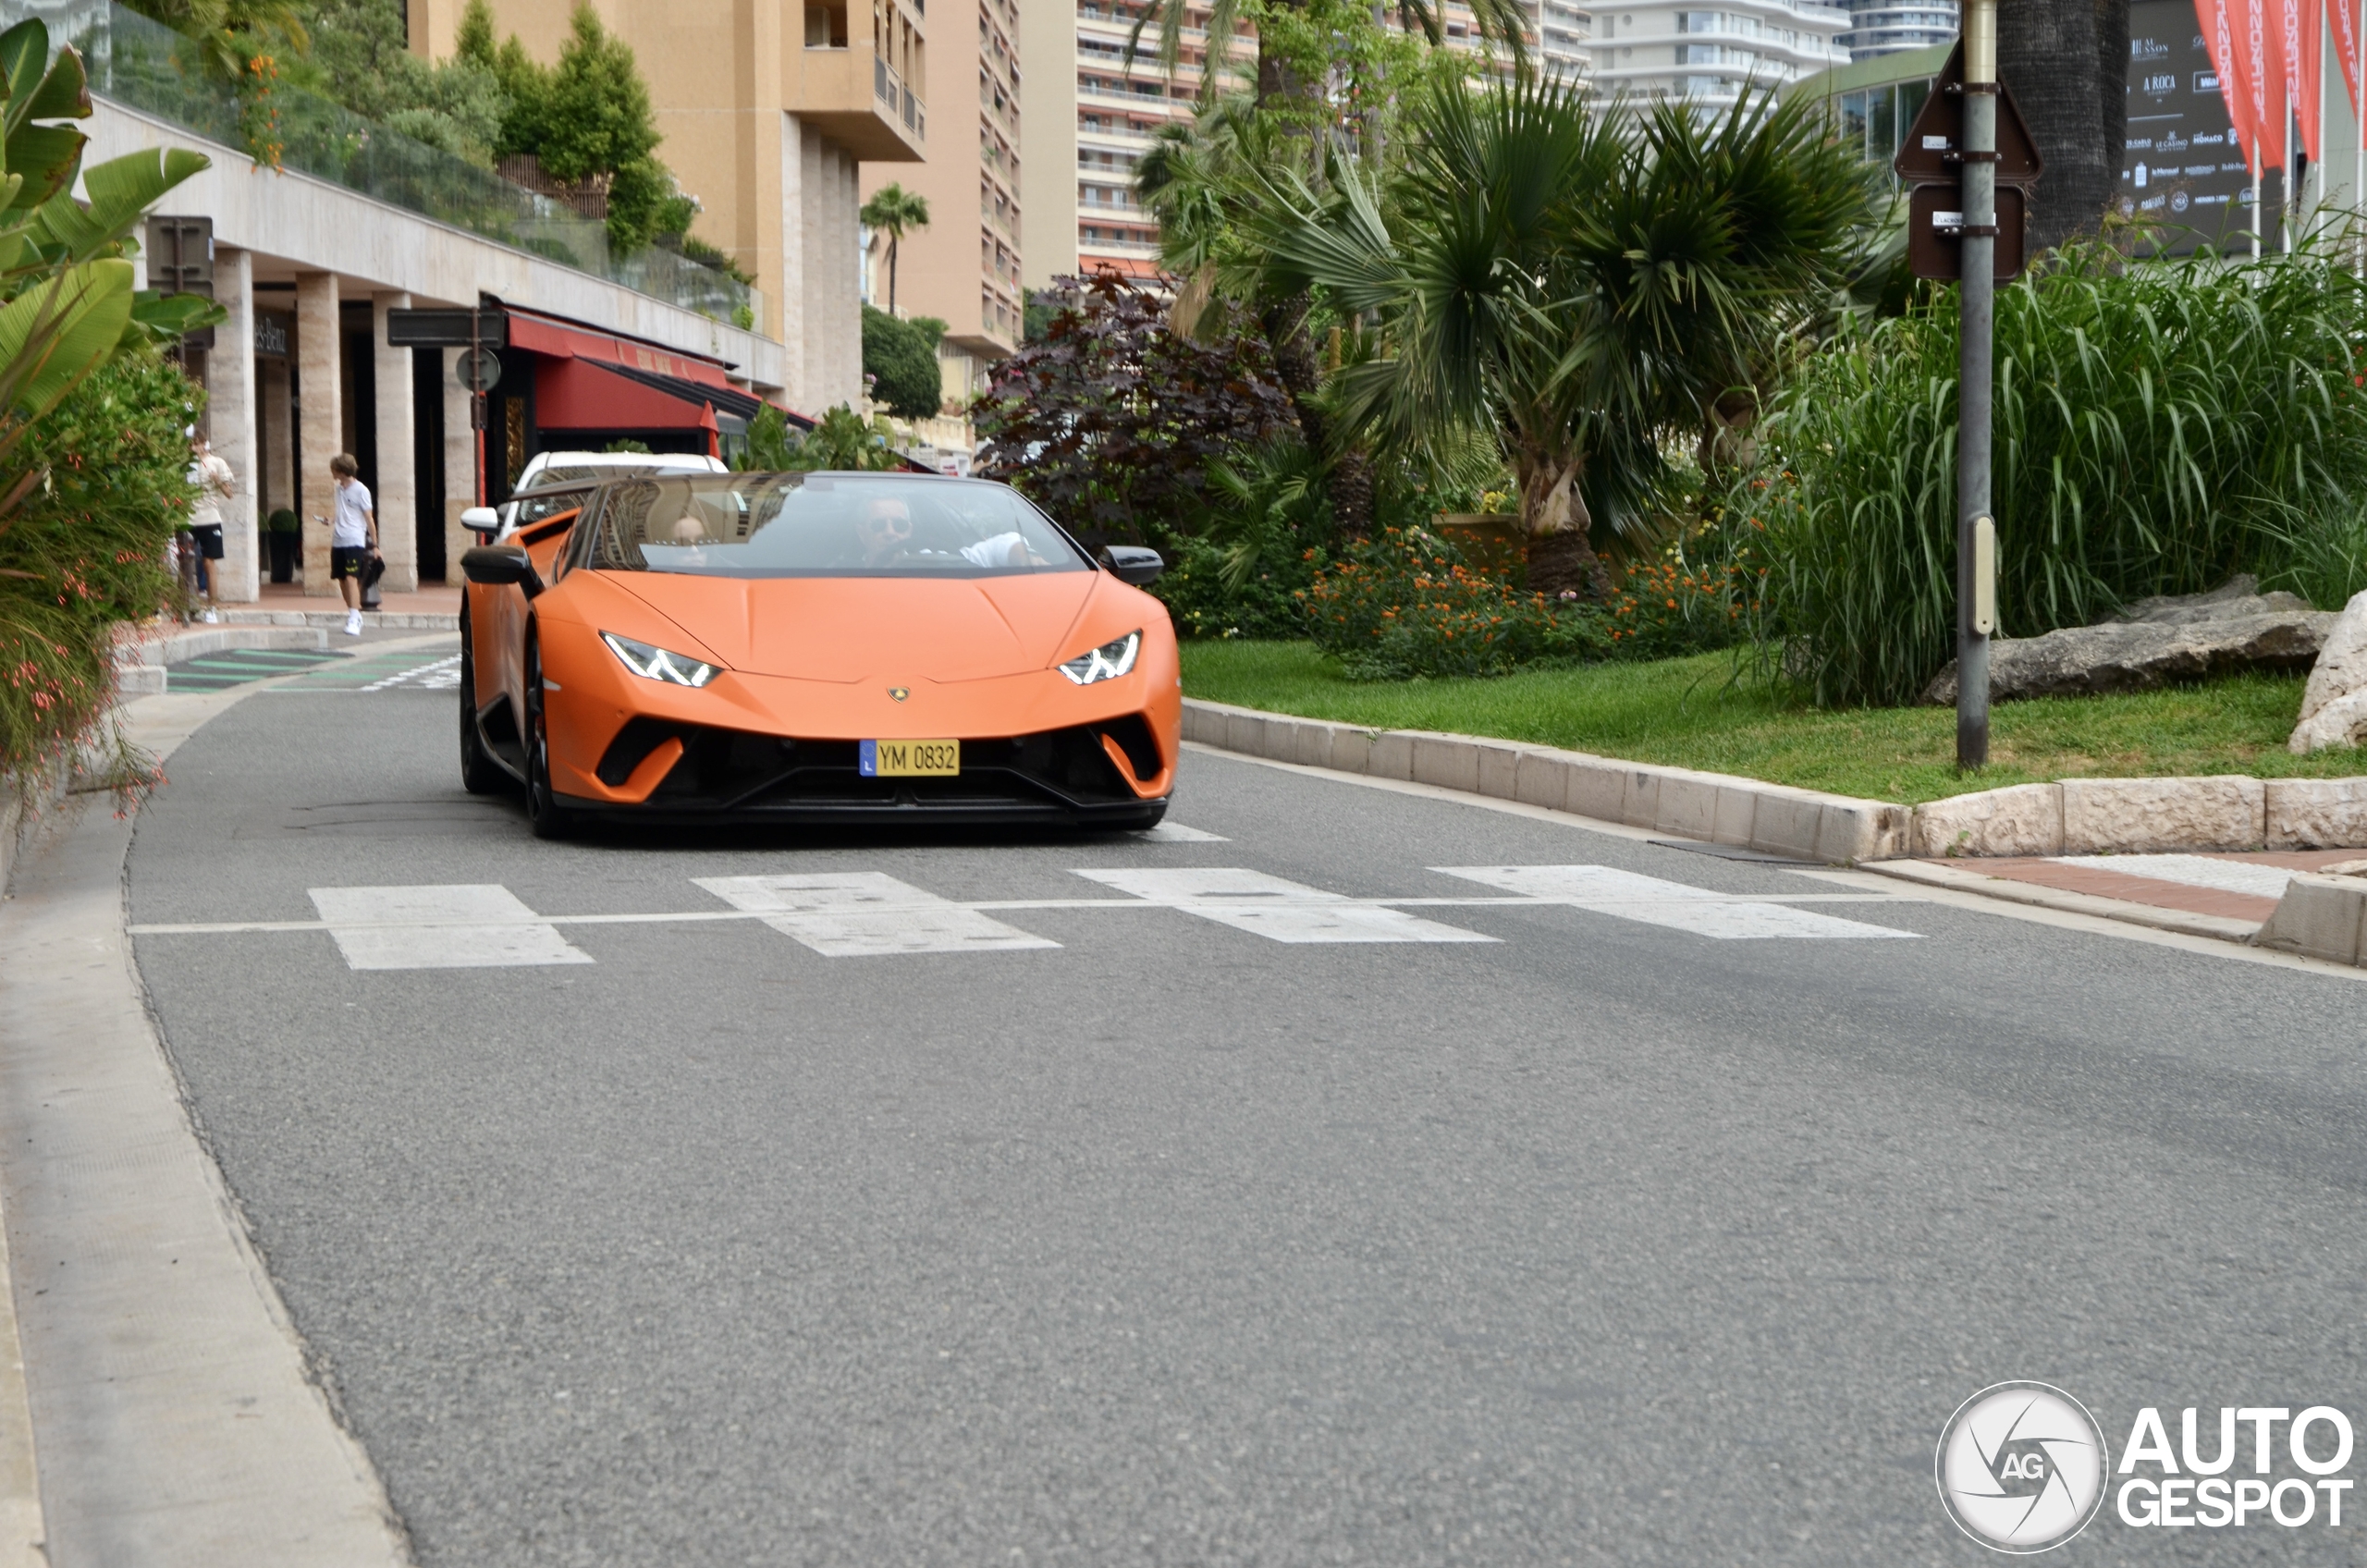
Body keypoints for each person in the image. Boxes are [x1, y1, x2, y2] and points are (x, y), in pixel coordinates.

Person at [321, 453, 378, 637]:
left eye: (334, 469)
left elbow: (368, 518)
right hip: (338, 540)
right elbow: (344, 512)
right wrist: (331, 520)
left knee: (351, 578)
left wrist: (375, 545)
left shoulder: (361, 490)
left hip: (354, 540)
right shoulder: (339, 489)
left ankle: (354, 618)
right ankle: (353, 613)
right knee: (341, 580)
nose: (332, 472)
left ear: (341, 471)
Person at [186, 435, 235, 622]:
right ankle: (186, 606)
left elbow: (229, 493)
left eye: (196, 444)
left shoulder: (217, 462)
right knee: (185, 563)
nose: (193, 448)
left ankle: (212, 608)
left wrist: (217, 481)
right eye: (190, 445)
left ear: (203, 444)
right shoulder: (186, 465)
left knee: (208, 563)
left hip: (210, 518)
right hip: (188, 518)